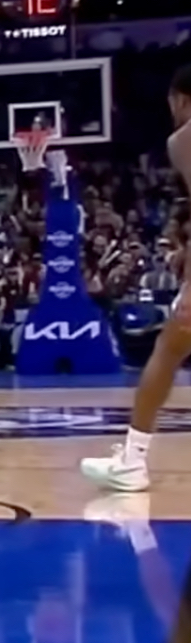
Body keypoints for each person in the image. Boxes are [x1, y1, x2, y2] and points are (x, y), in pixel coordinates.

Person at [82, 65, 191, 493]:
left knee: (167, 350)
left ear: (181, 100)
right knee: (171, 345)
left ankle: (133, 460)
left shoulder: (184, 138)